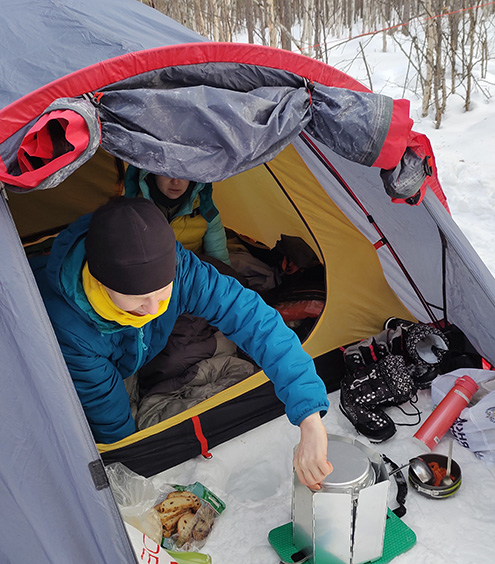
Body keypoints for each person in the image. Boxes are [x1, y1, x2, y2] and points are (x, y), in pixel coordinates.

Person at [32, 198, 332, 490]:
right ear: (100, 282)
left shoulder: (180, 270)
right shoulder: (68, 329)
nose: (153, 309)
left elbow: (255, 320)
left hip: (136, 349)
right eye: (137, 301)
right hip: (88, 353)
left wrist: (309, 418)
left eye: (163, 293)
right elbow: (110, 420)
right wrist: (136, 472)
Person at [124, 166, 230, 266]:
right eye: (167, 173)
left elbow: (219, 260)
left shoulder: (204, 207)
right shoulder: (131, 209)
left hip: (192, 275)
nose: (175, 181)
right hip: (150, 277)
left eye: (183, 173)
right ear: (151, 173)